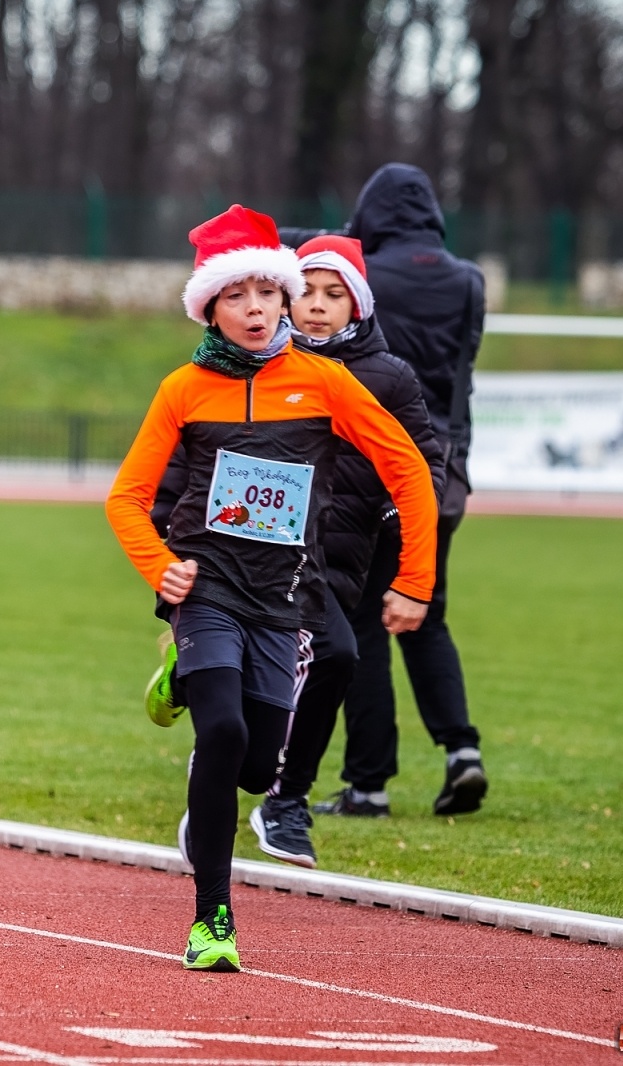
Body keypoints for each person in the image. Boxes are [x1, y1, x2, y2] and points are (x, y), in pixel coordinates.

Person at [106, 205, 437, 972]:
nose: (256, 310)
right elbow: (125, 496)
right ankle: (211, 920)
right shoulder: (182, 389)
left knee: (257, 768)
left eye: (267, 294)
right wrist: (162, 567)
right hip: (208, 588)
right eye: (236, 297)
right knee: (221, 737)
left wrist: (414, 582)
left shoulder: (324, 382)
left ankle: (181, 680)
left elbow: (409, 472)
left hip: (286, 599)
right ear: (210, 307)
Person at [283, 164, 489, 818]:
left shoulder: (363, 272)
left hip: (370, 464)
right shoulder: (467, 281)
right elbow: (464, 367)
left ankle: (368, 782)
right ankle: (461, 750)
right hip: (444, 463)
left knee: (362, 623)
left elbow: (312, 251)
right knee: (427, 610)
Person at [247, 236, 445, 866]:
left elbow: (423, 466)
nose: (317, 306)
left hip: (337, 558)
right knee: (282, 662)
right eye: (306, 291)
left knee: (334, 656)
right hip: (255, 554)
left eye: (336, 295)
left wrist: (392, 519)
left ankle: (284, 797)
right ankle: (260, 787)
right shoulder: (250, 363)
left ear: (358, 306)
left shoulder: (387, 377)